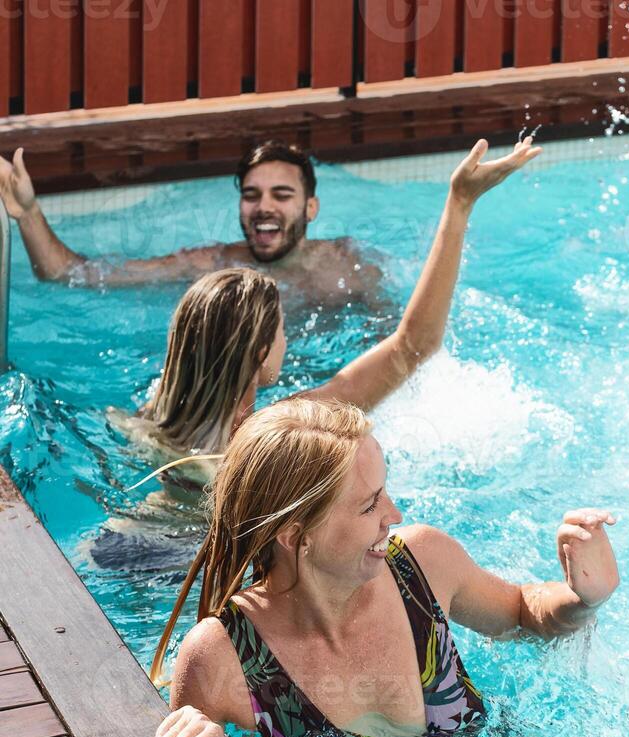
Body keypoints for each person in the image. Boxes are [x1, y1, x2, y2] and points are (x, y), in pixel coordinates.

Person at [146, 397, 621, 737]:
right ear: (296, 535)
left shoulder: (420, 564)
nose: (392, 513)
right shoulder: (221, 658)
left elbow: (521, 614)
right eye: (369, 503)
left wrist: (583, 599)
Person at [116, 136, 539, 488]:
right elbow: (413, 345)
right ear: (263, 351)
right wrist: (460, 201)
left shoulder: (144, 421)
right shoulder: (271, 435)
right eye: (281, 331)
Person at [0, 140, 386, 309]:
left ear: (311, 208)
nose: (263, 207)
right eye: (251, 195)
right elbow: (70, 274)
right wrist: (28, 213)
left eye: (281, 196)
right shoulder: (211, 266)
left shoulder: (349, 264)